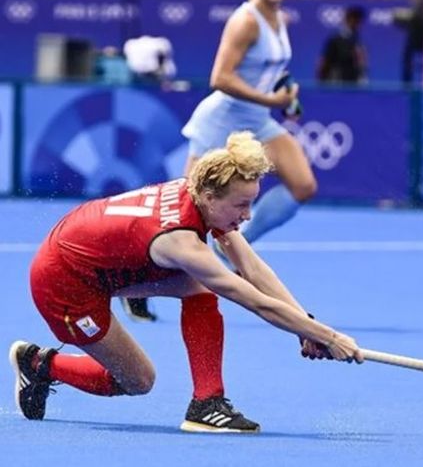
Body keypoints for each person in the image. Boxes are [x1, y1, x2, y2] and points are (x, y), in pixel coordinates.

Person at [10, 131, 362, 433]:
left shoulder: (199, 191)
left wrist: (307, 326)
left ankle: (206, 404)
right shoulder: (181, 242)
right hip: (64, 283)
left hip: (97, 259)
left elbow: (253, 268)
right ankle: (39, 365)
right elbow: (253, 299)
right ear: (211, 197)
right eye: (241, 204)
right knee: (137, 381)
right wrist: (328, 337)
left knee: (200, 287)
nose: (248, 215)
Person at [123, 0, 314, 321]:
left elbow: (269, 71)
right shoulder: (245, 20)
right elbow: (220, 78)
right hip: (223, 118)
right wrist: (271, 99)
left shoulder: (278, 20)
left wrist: (284, 95)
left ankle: (231, 253)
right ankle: (135, 284)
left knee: (302, 185)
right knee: (183, 212)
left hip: (258, 118)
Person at [317, 5, 367, 84]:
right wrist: (322, 80)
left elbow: (360, 62)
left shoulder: (357, 40)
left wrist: (361, 77)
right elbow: (324, 61)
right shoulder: (336, 39)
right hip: (337, 82)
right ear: (347, 19)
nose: (357, 23)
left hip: (352, 83)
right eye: (354, 19)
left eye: (358, 20)